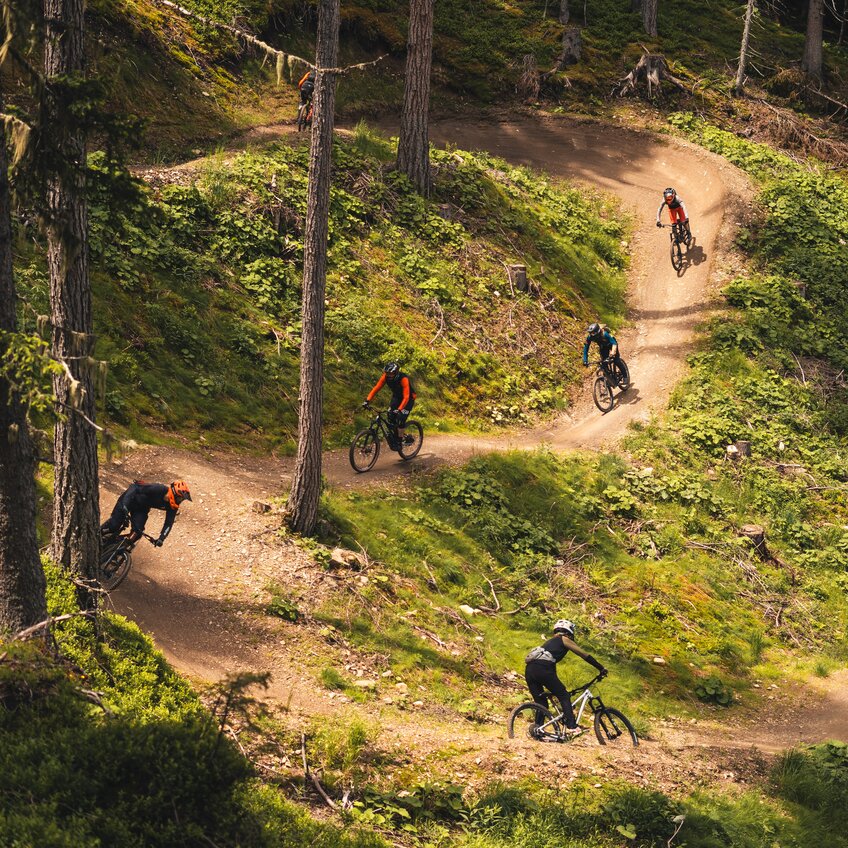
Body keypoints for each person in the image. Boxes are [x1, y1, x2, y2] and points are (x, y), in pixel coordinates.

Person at [524, 619, 607, 739]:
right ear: (569, 632)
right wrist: (601, 668)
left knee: (541, 703)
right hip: (543, 669)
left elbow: (550, 665)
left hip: (530, 670)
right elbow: (584, 654)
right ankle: (572, 726)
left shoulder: (549, 643)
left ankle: (537, 730)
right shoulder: (564, 639)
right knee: (564, 695)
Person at [101, 480, 192, 547]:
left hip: (141, 509)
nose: (180, 501)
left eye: (182, 500)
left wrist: (161, 538)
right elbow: (135, 487)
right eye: (180, 498)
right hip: (129, 500)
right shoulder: (158, 488)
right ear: (174, 493)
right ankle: (98, 533)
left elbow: (169, 523)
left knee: (137, 533)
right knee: (114, 525)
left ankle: (112, 550)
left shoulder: (172, 507)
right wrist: (125, 504)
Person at [363, 362, 416, 445]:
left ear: (396, 373)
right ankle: (395, 434)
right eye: (387, 373)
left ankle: (400, 439)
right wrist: (367, 400)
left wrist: (399, 409)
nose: (389, 375)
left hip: (408, 398)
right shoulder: (385, 377)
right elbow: (376, 388)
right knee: (390, 415)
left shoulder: (403, 379)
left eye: (391, 373)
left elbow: (406, 397)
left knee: (401, 418)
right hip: (397, 397)